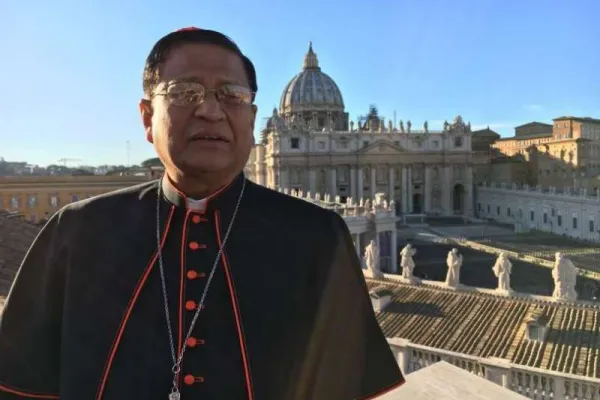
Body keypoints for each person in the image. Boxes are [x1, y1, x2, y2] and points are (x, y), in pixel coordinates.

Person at [0, 28, 404, 400]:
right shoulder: (74, 232)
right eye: (184, 92)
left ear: (252, 119)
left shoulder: (320, 235)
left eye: (232, 96)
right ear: (146, 117)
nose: (211, 111)